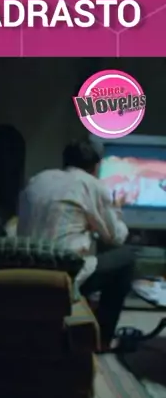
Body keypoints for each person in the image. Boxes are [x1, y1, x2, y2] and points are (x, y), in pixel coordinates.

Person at [17, 139, 135, 350]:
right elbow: (116, 237)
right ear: (96, 167)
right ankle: (103, 339)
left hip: (25, 267)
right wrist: (117, 209)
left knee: (88, 241)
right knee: (126, 258)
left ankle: (88, 310)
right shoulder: (92, 185)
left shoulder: (38, 179)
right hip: (61, 273)